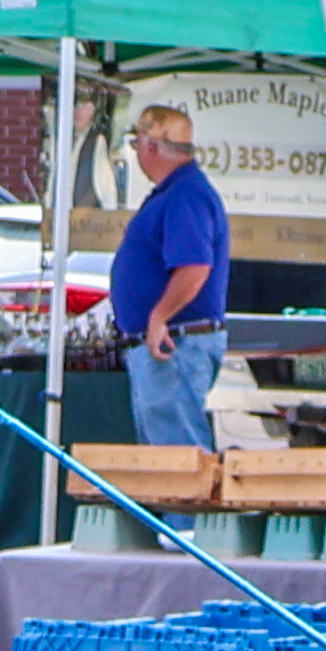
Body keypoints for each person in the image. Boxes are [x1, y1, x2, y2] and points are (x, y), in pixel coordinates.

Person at [108, 101, 230, 452]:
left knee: (178, 462)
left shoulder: (185, 194)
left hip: (176, 344)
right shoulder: (178, 192)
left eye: (136, 145)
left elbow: (194, 267)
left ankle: (184, 511)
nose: (137, 154)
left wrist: (159, 317)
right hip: (172, 343)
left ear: (150, 146)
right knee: (163, 464)